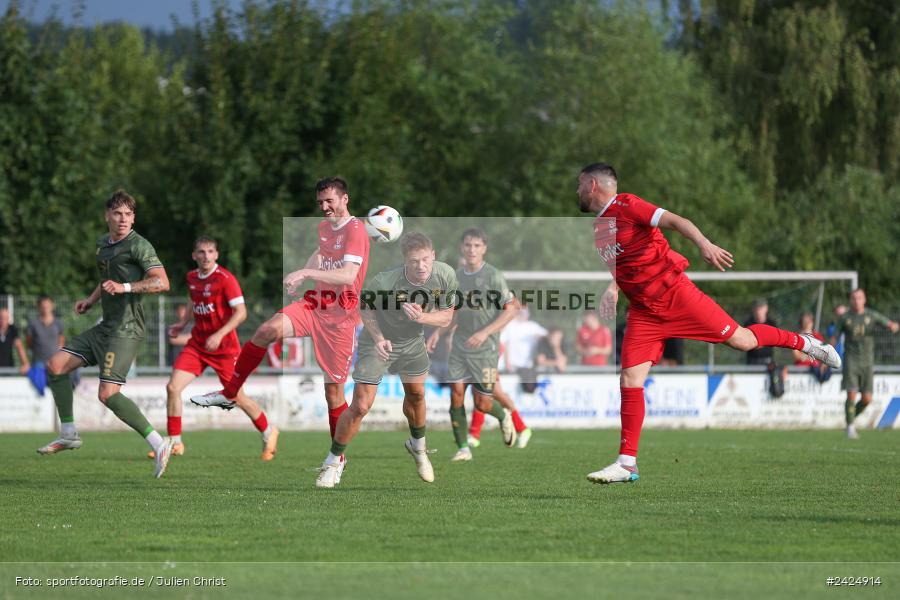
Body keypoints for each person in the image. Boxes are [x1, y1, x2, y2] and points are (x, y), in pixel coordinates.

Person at [577, 163, 840, 484]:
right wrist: (613, 288)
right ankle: (627, 463)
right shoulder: (599, 227)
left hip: (675, 294)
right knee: (630, 378)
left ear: (592, 185)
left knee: (743, 340)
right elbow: (626, 261)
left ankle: (807, 344)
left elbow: (677, 221)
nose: (576, 191)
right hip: (645, 311)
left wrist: (704, 243)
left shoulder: (627, 205)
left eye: (579, 185)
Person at [192, 177, 370, 482]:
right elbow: (322, 254)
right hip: (315, 305)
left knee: (333, 394)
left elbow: (347, 274)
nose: (324, 207)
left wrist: (304, 271)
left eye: (329, 201)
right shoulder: (325, 228)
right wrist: (305, 275)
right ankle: (230, 392)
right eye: (320, 203)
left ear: (345, 199)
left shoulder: (356, 231)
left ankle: (336, 461)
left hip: (341, 319)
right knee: (265, 331)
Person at [36, 189, 175, 478]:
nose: (123, 219)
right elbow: (106, 281)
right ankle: (69, 432)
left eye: (128, 214)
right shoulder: (103, 246)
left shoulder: (139, 246)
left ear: (134, 217)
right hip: (104, 327)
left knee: (108, 393)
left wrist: (125, 288)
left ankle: (159, 443)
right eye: (117, 213)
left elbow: (162, 282)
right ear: (107, 216)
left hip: (126, 330)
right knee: (55, 366)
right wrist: (91, 299)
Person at [315, 232, 457, 488]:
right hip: (378, 343)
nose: (421, 266)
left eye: (425, 259)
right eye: (414, 261)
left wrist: (421, 318)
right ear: (405, 261)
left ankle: (418, 447)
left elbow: (446, 316)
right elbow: (365, 309)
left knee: (416, 396)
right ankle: (332, 462)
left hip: (412, 343)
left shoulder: (445, 275)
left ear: (433, 256)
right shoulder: (385, 281)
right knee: (360, 406)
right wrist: (379, 337)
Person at [149, 236, 278, 460]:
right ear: (194, 255)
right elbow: (193, 300)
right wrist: (182, 323)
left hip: (225, 349)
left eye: (210, 251)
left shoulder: (225, 279)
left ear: (216, 255)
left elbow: (241, 313)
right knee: (172, 388)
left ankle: (269, 431)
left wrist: (219, 334)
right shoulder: (192, 277)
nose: (206, 256)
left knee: (237, 398)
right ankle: (175, 442)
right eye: (201, 252)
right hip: (198, 345)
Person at [426, 227, 521, 462]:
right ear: (462, 247)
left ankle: (503, 416)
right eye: (468, 245)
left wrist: (485, 332)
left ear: (484, 249)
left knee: (483, 402)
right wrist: (438, 331)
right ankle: (463, 448)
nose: (472, 249)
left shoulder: (493, 276)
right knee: (456, 393)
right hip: (460, 344)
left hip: (486, 348)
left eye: (477, 245)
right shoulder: (455, 277)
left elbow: (512, 309)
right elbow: (454, 312)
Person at [832, 288, 899, 439]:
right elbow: (834, 337)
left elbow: (887, 322)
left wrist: (892, 325)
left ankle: (849, 418)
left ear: (864, 300)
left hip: (867, 362)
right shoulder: (844, 318)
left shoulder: (870, 315)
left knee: (867, 398)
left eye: (859, 298)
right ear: (851, 300)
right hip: (851, 361)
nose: (857, 300)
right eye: (854, 298)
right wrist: (827, 353)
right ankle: (850, 427)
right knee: (851, 393)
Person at [744, 299, 776, 365]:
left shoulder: (771, 323)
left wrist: (759, 342)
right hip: (752, 360)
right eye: (757, 308)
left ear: (766, 308)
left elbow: (773, 340)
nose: (759, 310)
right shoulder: (748, 323)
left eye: (761, 308)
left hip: (768, 360)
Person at [0, 307, 30, 373]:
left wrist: (25, 363)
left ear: (8, 319)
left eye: (5, 318)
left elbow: (20, 347)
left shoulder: (12, 329)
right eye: (1, 318)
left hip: (9, 368)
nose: (3, 320)